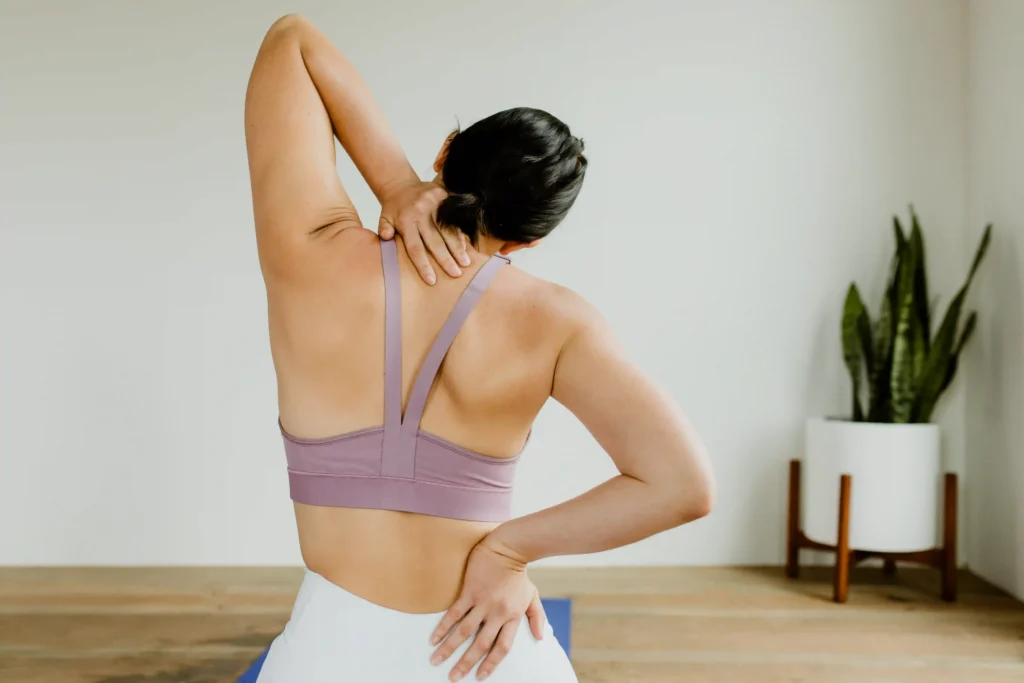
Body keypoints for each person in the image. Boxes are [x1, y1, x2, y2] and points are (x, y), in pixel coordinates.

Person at [244, 14, 715, 683]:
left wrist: (396, 183)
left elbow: (290, 40)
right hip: (485, 648)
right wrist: (509, 552)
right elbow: (685, 485)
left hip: (329, 650)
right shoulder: (555, 321)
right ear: (529, 240)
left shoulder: (310, 250)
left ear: (445, 151)